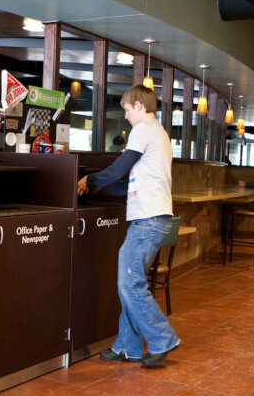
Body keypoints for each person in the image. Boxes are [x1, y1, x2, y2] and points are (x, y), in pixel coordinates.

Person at [77, 85, 180, 368]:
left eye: (125, 109)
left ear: (138, 105)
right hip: (151, 219)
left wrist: (92, 180)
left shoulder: (144, 129)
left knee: (129, 284)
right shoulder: (158, 133)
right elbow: (129, 182)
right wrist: (102, 188)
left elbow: (119, 169)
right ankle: (127, 347)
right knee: (128, 285)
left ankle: (162, 339)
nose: (125, 116)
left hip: (148, 221)